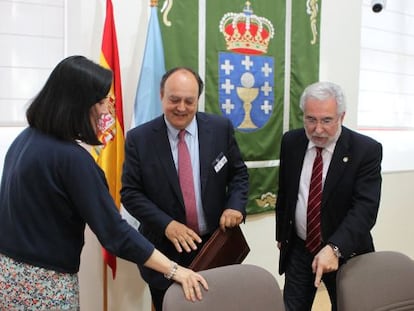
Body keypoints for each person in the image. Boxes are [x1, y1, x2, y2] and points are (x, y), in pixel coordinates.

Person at [0, 56, 208, 310]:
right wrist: (175, 270)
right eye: (99, 102)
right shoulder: (73, 160)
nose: (105, 109)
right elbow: (115, 234)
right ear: (76, 105)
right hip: (45, 287)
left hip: (9, 277)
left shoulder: (26, 139)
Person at [121, 67, 249, 311]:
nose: (181, 107)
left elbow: (239, 174)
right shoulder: (140, 139)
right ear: (161, 96)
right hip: (165, 253)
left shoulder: (220, 128)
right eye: (174, 99)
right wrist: (166, 224)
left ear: (198, 99)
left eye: (189, 101)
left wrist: (235, 205)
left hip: (215, 247)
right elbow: (130, 193)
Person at [275, 81, 382, 311]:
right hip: (300, 250)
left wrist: (334, 248)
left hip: (346, 253)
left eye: (326, 120)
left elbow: (365, 209)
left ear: (341, 117)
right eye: (311, 119)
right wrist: (281, 233)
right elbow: (285, 192)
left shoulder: (365, 151)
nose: (317, 129)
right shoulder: (291, 142)